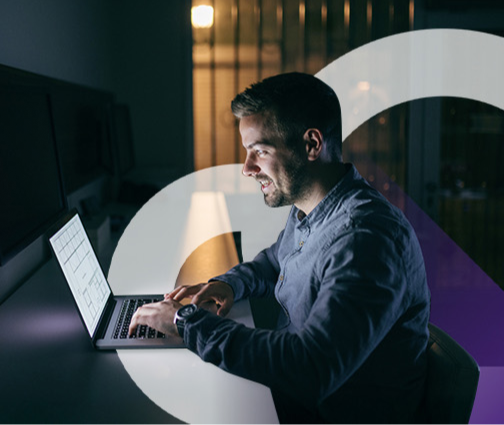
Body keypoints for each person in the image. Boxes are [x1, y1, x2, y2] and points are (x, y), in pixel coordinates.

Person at [129, 72, 431, 424]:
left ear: (312, 144)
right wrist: (229, 283)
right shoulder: (312, 209)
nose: (247, 168)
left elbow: (311, 368)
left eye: (260, 151)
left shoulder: (366, 240)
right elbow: (276, 261)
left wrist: (186, 322)